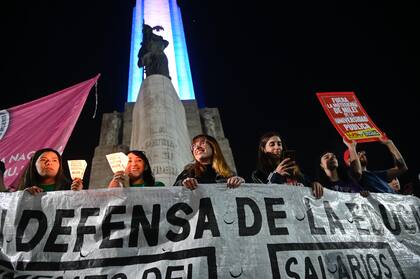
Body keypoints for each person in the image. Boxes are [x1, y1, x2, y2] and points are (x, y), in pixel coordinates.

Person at [251, 132, 323, 198]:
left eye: (279, 144)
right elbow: (264, 195)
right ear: (264, 149)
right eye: (272, 144)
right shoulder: (258, 174)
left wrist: (314, 184)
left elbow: (308, 184)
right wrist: (277, 175)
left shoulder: (295, 170)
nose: (277, 147)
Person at [174, 134, 244, 189]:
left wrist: (241, 183)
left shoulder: (229, 174)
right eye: (193, 146)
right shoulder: (187, 173)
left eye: (202, 142)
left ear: (213, 146)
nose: (197, 147)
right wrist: (183, 183)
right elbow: (172, 192)